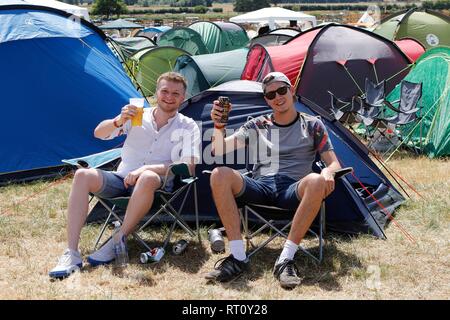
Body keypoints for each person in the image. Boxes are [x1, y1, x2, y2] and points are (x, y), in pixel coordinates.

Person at [49, 72, 200, 279]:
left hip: (156, 187)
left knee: (147, 177)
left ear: (183, 97)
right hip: (121, 179)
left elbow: (189, 165)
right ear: (156, 93)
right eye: (164, 91)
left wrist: (145, 170)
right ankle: (72, 252)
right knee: (82, 175)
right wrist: (119, 120)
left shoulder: (188, 126)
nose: (169, 96)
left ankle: (117, 240)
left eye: (176, 93)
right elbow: (99, 133)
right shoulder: (137, 115)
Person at [205, 72, 341, 289]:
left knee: (316, 179)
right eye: (270, 94)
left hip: (294, 189)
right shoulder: (257, 124)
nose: (277, 97)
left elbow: (334, 163)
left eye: (281, 90)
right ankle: (238, 257)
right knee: (218, 174)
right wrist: (218, 126)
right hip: (262, 185)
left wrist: (328, 172)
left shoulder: (313, 125)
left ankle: (285, 259)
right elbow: (218, 149)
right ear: (266, 100)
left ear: (292, 90)